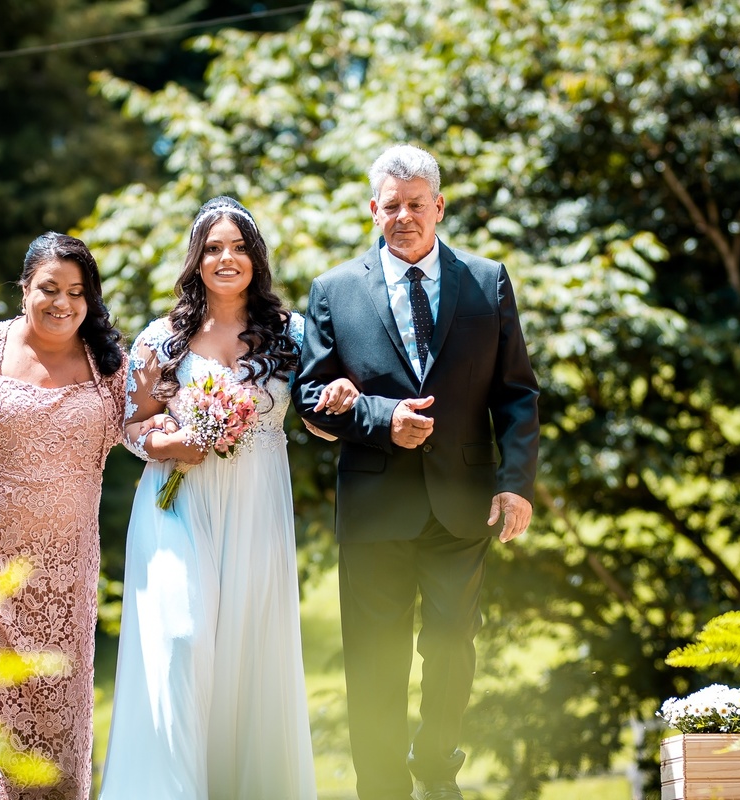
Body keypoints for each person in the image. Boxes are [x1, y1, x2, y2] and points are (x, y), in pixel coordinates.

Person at [291, 144, 541, 800]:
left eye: (416, 204)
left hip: (462, 502)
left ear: (439, 206)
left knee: (454, 644)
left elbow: (516, 391)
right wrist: (380, 419)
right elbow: (312, 397)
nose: (404, 216)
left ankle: (436, 765)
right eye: (391, 206)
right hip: (375, 507)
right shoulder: (334, 292)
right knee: (375, 660)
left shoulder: (487, 282)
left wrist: (515, 482)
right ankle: (381, 788)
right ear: (374, 211)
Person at [99, 196, 356, 800]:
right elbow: (131, 427)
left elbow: (316, 414)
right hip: (176, 503)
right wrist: (168, 445)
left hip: (256, 504)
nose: (226, 258)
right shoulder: (163, 338)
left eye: (238, 247)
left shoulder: (291, 334)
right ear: (196, 260)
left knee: (248, 653)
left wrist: (339, 395)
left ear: (255, 258)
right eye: (213, 247)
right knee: (180, 639)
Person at [0, 232, 134, 799]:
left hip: (65, 583)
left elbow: (148, 423)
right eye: (49, 289)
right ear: (24, 289)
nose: (63, 303)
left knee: (58, 736)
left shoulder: (109, 364)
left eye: (77, 292)